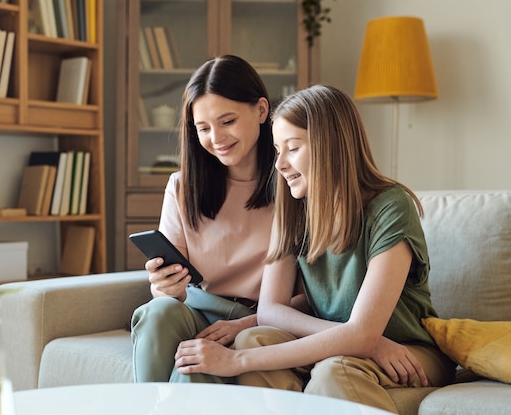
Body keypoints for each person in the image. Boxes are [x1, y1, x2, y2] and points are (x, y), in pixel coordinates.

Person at [173, 85, 456, 412]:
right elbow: (270, 310)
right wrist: (362, 340)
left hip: (408, 351)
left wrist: (237, 361)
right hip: (352, 345)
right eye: (277, 150)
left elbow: (362, 333)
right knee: (255, 336)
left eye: (292, 149)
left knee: (332, 373)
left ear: (330, 147)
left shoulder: (390, 206)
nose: (279, 165)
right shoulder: (293, 209)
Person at [130, 54, 276, 384]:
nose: (216, 138)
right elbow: (172, 294)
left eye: (228, 122)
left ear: (261, 110)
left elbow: (314, 294)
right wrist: (164, 286)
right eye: (203, 128)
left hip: (262, 319)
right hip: (199, 309)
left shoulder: (293, 182)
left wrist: (245, 325)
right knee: (158, 313)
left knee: (194, 365)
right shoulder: (182, 186)